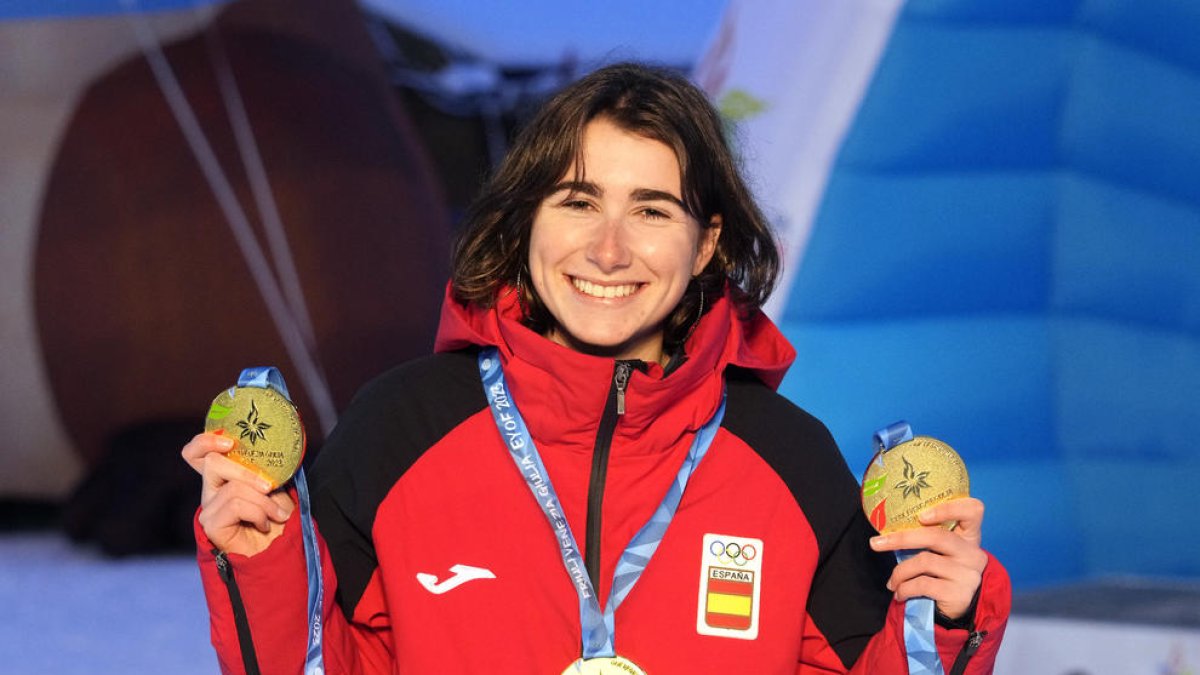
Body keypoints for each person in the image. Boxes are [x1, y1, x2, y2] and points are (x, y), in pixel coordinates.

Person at [184, 62, 1010, 674]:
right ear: (525, 220)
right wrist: (261, 559)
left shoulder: (787, 460)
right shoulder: (401, 430)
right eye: (577, 201)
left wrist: (945, 619)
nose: (608, 249)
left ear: (707, 242)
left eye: (651, 210)